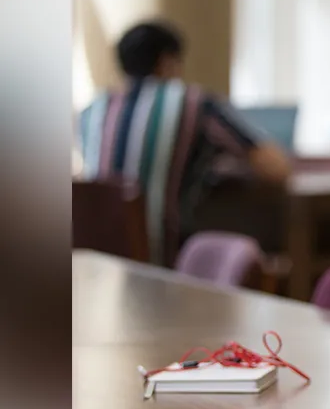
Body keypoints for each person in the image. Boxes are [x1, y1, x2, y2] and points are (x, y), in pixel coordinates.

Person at [77, 20, 291, 265]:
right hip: (159, 259)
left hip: (94, 263)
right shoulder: (193, 103)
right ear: (168, 61)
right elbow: (276, 168)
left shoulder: (93, 110)